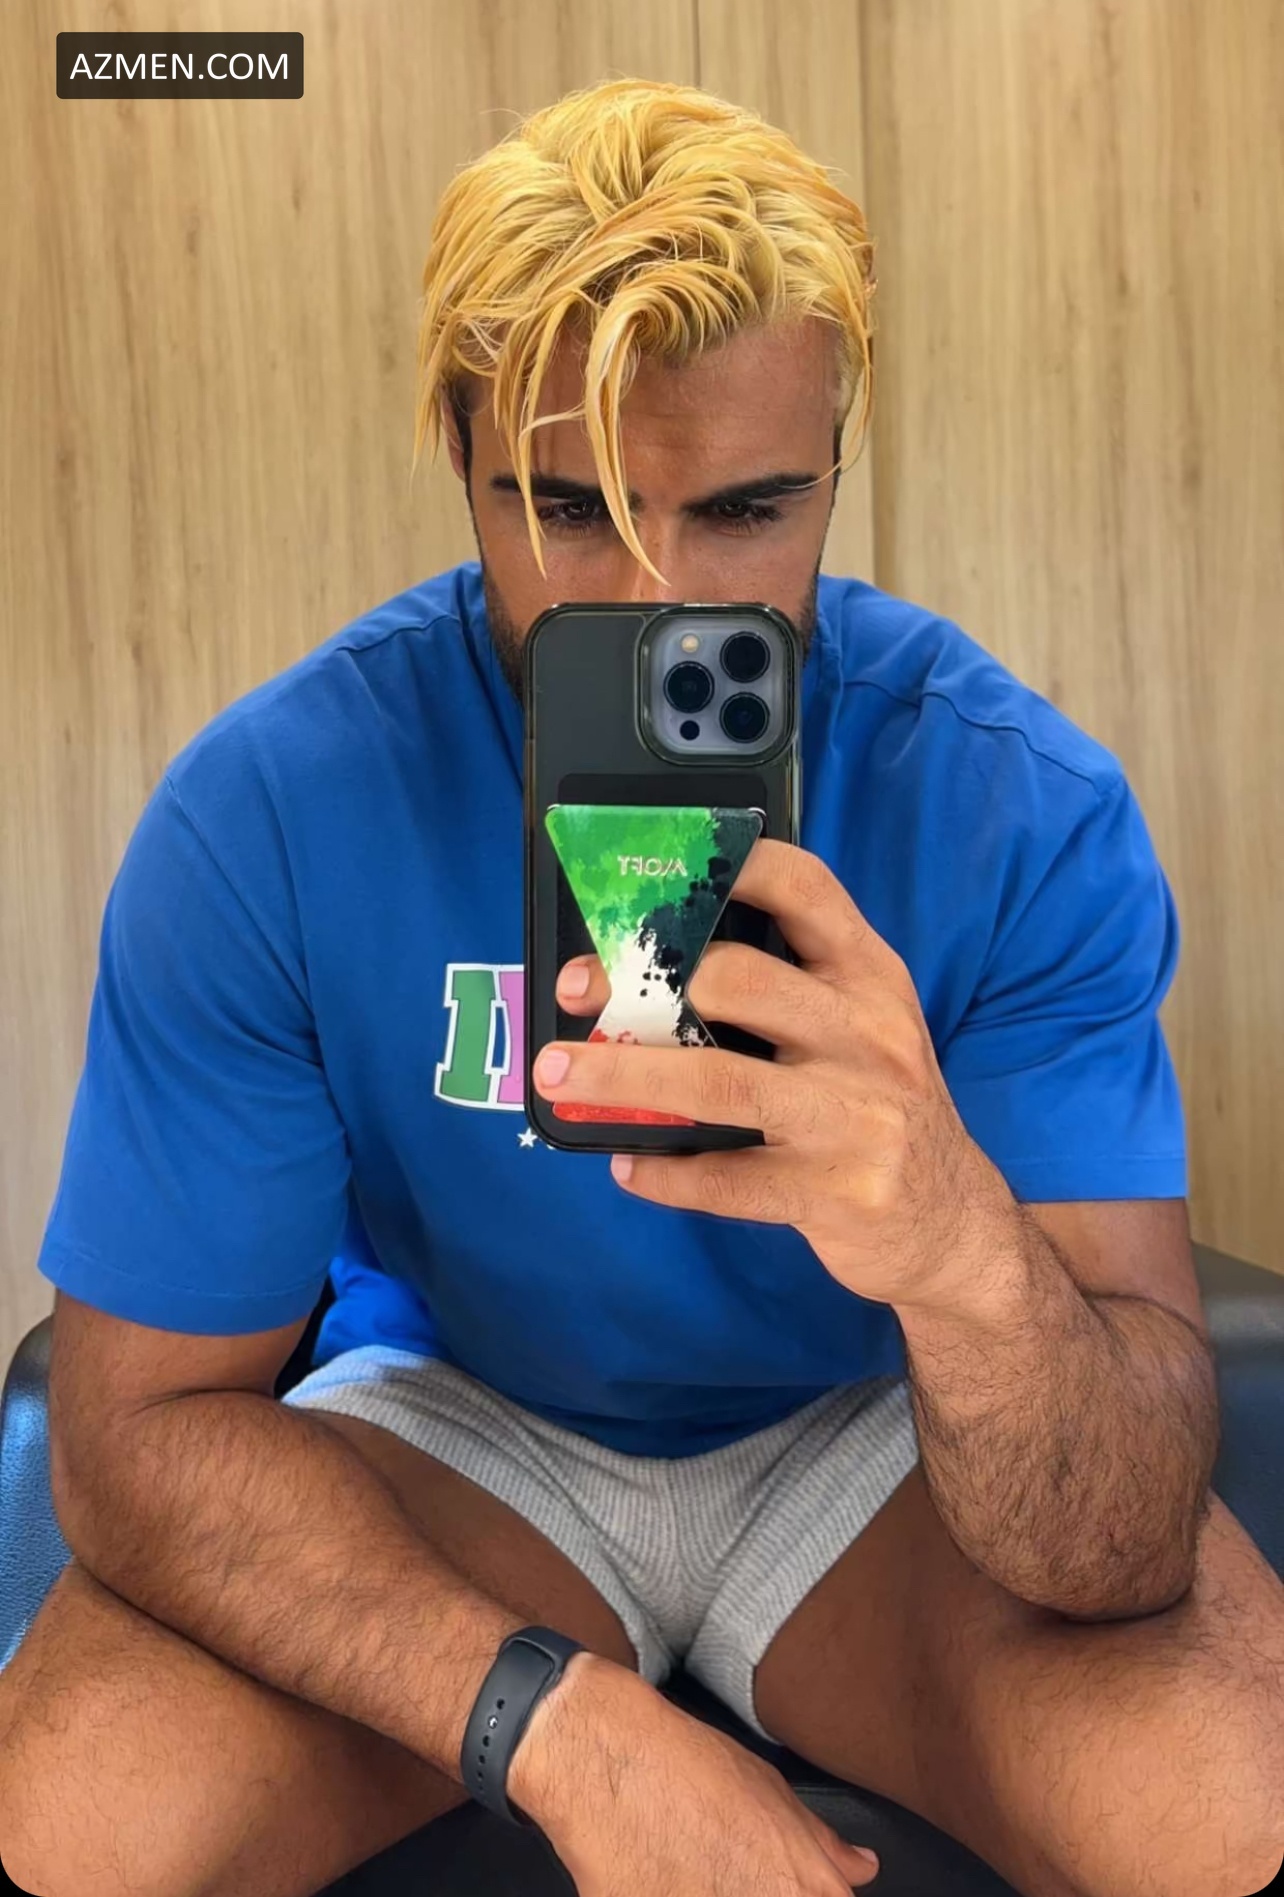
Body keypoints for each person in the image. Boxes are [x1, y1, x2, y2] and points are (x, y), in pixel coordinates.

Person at [2, 75, 1281, 1897]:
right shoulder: (270, 814)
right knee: (63, 1834)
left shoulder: (1016, 807)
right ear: (460, 456)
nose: (659, 596)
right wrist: (561, 1729)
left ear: (836, 459)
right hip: (468, 1425)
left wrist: (951, 1240)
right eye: (569, 508)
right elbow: (132, 1439)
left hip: (878, 1427)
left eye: (750, 508)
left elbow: (1126, 1530)